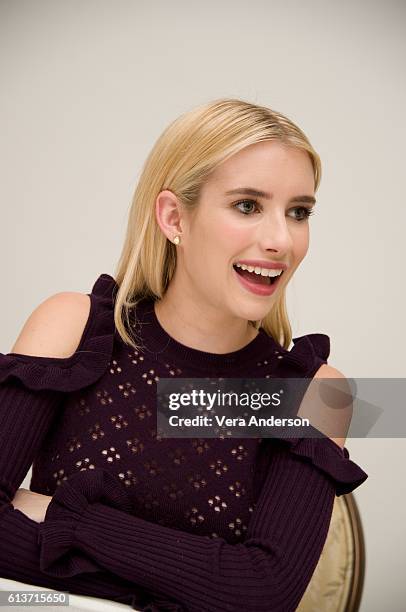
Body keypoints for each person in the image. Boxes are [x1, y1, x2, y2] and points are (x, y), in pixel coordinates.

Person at [0, 98, 368, 612]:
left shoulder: (321, 394)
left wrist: (72, 521)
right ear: (174, 216)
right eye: (247, 205)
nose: (282, 240)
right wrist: (186, 585)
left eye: (299, 212)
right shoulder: (72, 326)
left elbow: (261, 593)